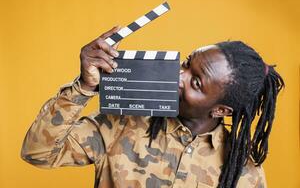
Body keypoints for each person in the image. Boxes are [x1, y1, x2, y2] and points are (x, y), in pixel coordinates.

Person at [21, 26, 284, 188]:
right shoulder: (121, 124)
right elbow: (38, 153)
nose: (179, 77)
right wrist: (84, 87)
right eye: (186, 63)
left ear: (221, 110)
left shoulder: (243, 173)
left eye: (195, 82)